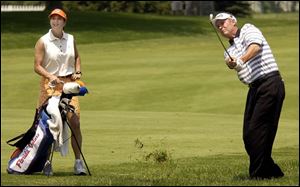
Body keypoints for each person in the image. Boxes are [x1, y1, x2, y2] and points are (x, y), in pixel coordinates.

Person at [212, 12, 285, 179]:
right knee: (249, 135)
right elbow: (231, 64)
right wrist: (232, 63)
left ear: (233, 21)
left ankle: (258, 175)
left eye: (223, 22)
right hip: (254, 88)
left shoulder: (248, 29)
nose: (220, 27)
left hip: (270, 83)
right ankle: (272, 171)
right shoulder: (228, 51)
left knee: (258, 131)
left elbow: (255, 46)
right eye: (218, 26)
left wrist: (242, 60)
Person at [34, 8, 87, 175]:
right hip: (49, 86)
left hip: (69, 84)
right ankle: (46, 163)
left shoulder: (71, 39)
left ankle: (78, 163)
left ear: (64, 22)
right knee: (49, 124)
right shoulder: (43, 41)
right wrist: (50, 76)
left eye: (59, 19)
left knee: (75, 123)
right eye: (53, 19)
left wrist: (77, 71)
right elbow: (37, 66)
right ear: (50, 21)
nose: (55, 21)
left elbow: (77, 57)